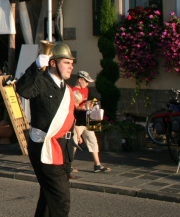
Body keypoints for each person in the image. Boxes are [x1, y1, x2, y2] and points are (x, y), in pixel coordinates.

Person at [16, 43, 77, 217]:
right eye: (66, 62)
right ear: (53, 63)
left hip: (64, 147)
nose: (70, 67)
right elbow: (23, 89)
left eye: (71, 63)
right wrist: (35, 66)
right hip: (44, 147)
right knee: (61, 199)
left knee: (48, 196)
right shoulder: (41, 81)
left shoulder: (65, 87)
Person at [71, 71, 111, 174]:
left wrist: (91, 106)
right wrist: (82, 108)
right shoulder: (73, 91)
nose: (87, 84)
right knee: (74, 142)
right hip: (78, 120)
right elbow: (73, 108)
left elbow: (86, 103)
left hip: (87, 119)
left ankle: (97, 164)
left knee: (92, 140)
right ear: (80, 80)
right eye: (86, 81)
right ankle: (68, 165)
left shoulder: (86, 89)